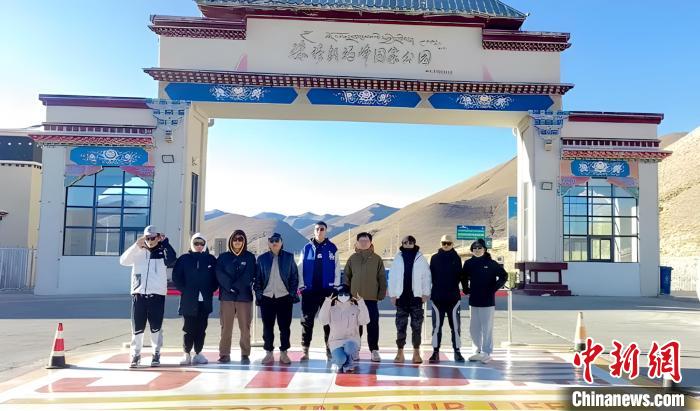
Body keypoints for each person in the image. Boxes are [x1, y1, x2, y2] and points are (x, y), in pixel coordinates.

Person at [119, 225, 176, 368]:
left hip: (157, 295)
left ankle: (156, 353)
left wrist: (165, 243)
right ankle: (135, 354)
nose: (150, 241)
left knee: (156, 327)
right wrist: (136, 246)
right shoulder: (138, 251)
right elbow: (123, 261)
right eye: (147, 238)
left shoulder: (162, 251)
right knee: (137, 327)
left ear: (158, 237)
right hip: (139, 295)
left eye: (153, 238)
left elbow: (171, 260)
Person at [298, 221, 342, 361]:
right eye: (317, 229)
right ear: (314, 231)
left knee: (328, 322)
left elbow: (337, 268)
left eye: (322, 229)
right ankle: (305, 350)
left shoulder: (332, 248)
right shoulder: (306, 248)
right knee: (307, 321)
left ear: (326, 231)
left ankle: (329, 351)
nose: (319, 231)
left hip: (327, 291)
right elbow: (300, 268)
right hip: (309, 291)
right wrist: (301, 286)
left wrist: (335, 286)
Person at [254, 232, 300, 365]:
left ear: (281, 242)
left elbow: (294, 277)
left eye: (277, 240)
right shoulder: (261, 259)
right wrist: (259, 295)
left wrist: (291, 294)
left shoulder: (289, 257)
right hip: (267, 298)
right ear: (268, 243)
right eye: (272, 241)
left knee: (284, 327)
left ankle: (284, 353)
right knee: (267, 327)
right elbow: (257, 279)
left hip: (284, 298)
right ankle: (268, 353)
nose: (274, 243)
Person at [172, 233, 218, 366]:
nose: (199, 246)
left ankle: (198, 353)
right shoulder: (184, 259)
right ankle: (186, 353)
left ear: (205, 244)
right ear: (192, 244)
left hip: (205, 300)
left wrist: (210, 290)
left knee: (201, 329)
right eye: (196, 243)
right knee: (188, 328)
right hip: (189, 300)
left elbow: (216, 278)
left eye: (201, 243)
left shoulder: (210, 259)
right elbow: (176, 277)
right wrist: (185, 290)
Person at [461, 238, 508, 364]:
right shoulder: (468, 263)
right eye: (474, 248)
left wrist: (493, 288)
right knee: (474, 327)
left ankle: (487, 352)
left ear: (485, 249)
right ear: (472, 250)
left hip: (487, 301)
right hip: (474, 300)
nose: (477, 250)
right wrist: (466, 289)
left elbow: (504, 276)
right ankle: (476, 350)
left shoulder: (491, 263)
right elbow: (463, 276)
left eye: (479, 248)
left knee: (487, 327)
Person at [387, 235, 431, 364]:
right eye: (405, 242)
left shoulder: (421, 258)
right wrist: (392, 294)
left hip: (416, 298)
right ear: (402, 243)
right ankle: (400, 352)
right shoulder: (398, 258)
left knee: (416, 327)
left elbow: (426, 277)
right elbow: (392, 277)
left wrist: (426, 293)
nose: (408, 244)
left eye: (411, 242)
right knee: (400, 326)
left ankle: (416, 353)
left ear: (414, 243)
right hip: (401, 298)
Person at [344, 232, 387, 362]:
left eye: (366, 241)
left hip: (371, 298)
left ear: (370, 242)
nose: (363, 243)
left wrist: (381, 292)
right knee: (356, 326)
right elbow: (346, 277)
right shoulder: (352, 259)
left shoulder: (377, 259)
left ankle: (374, 350)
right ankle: (355, 350)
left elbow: (382, 277)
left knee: (373, 324)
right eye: (361, 241)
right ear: (357, 243)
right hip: (355, 299)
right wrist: (346, 294)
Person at [216, 229, 257, 364]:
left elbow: (249, 274)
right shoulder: (223, 257)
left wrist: (237, 287)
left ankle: (245, 354)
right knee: (226, 327)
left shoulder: (249, 257)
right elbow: (219, 273)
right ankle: (224, 353)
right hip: (227, 297)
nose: (237, 242)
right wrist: (229, 287)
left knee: (245, 327)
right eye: (235, 239)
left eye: (240, 239)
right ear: (231, 241)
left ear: (244, 241)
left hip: (244, 297)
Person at [428, 234, 465, 363]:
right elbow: (430, 277)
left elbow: (461, 276)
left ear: (452, 244)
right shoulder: (434, 258)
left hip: (453, 299)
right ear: (440, 243)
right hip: (437, 299)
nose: (446, 245)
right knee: (436, 326)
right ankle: (435, 352)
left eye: (448, 243)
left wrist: (466, 289)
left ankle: (457, 352)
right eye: (444, 243)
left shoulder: (457, 258)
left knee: (455, 327)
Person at [319, 284, 370, 373]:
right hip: (335, 342)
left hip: (352, 340)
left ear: (350, 295)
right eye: (341, 294)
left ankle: (349, 363)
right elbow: (323, 321)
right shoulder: (331, 309)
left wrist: (361, 302)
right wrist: (327, 302)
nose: (343, 296)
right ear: (336, 296)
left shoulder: (355, 309)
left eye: (346, 294)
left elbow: (365, 321)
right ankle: (340, 362)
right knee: (340, 359)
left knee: (349, 347)